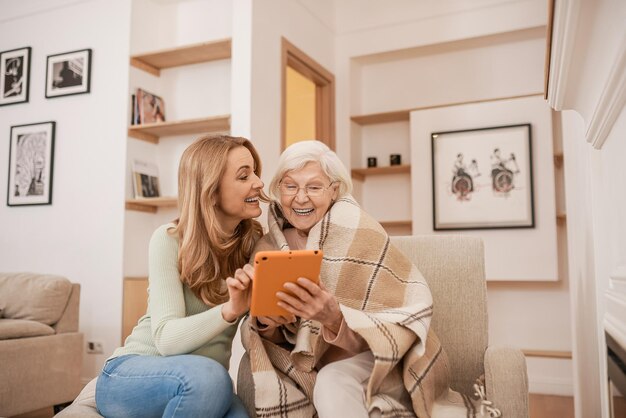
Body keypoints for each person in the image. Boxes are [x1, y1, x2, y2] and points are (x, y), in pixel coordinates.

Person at [239, 140, 446, 417]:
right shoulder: (267, 248)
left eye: (314, 187)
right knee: (327, 378)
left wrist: (333, 318)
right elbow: (272, 340)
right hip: (307, 363)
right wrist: (266, 321)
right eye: (290, 186)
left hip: (373, 357)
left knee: (332, 381)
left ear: (334, 190)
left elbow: (384, 328)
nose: (300, 198)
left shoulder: (360, 231)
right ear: (278, 190)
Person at [95, 134, 266, 418]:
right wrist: (230, 309)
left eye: (256, 172)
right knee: (211, 378)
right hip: (131, 374)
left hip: (204, 384)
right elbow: (166, 339)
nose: (259, 183)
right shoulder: (169, 239)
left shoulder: (253, 243)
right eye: (244, 176)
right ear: (210, 191)